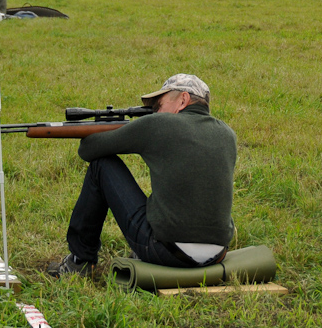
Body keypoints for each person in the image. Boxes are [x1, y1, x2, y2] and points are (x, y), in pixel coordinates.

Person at [49, 74, 237, 278]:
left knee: (101, 166)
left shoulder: (160, 124)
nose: (155, 112)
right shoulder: (227, 134)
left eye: (159, 105)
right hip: (218, 254)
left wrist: (106, 126)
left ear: (182, 100)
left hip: (166, 252)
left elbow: (89, 149)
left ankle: (79, 262)